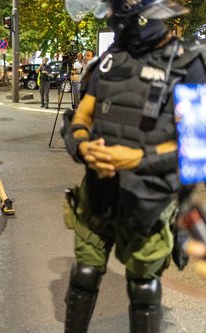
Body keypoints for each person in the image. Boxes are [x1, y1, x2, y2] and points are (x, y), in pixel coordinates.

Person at [62, 0, 206, 332]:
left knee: (143, 286)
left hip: (149, 199)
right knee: (84, 274)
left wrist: (139, 159)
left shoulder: (188, 63)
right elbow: (81, 116)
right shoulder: (110, 59)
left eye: (116, 12)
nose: (112, 20)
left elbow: (196, 148)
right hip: (98, 192)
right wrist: (84, 145)